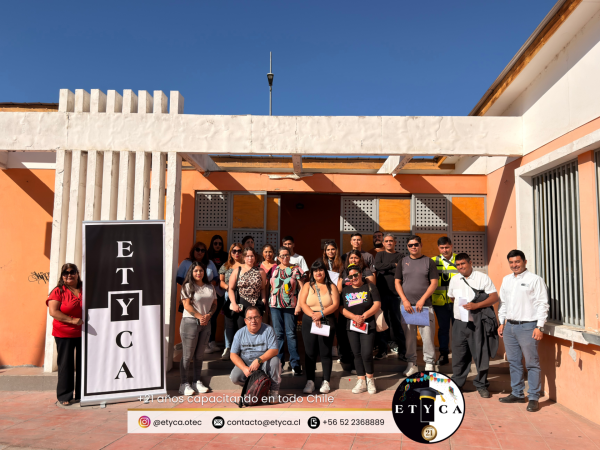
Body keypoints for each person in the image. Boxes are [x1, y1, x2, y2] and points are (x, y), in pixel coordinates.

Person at [498, 250, 549, 412]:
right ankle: (517, 393)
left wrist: (539, 326)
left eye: (517, 262)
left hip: (528, 326)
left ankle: (533, 397)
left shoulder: (535, 280)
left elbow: (542, 304)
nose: (514, 265)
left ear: (525, 262)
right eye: (511, 262)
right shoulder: (506, 280)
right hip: (509, 327)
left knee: (532, 363)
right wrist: (501, 322)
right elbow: (503, 303)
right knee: (514, 362)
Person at [448, 253, 499, 398]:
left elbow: (494, 297)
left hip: (477, 323)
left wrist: (477, 306)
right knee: (459, 355)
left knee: (480, 354)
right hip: (459, 323)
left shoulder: (482, 278)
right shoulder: (454, 279)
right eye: (458, 265)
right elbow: (452, 298)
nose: (460, 267)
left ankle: (481, 385)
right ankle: (457, 384)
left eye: (463, 263)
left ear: (470, 263)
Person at [395, 235, 439, 376]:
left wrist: (422, 299)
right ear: (407, 247)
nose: (413, 247)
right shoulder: (403, 262)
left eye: (416, 244)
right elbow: (397, 282)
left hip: (424, 306)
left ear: (420, 245)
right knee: (409, 337)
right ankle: (411, 364)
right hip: (407, 306)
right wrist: (405, 300)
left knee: (427, 337)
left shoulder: (429, 262)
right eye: (410, 245)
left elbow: (434, 283)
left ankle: (429, 364)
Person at [298, 259, 340, 394]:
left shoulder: (331, 286)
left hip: (326, 319)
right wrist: (313, 315)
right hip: (309, 319)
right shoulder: (307, 285)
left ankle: (326, 381)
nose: (318, 273)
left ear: (325, 271)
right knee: (310, 352)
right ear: (311, 273)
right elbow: (302, 303)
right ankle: (310, 381)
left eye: (321, 270)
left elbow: (335, 304)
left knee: (325, 352)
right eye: (315, 270)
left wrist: (321, 314)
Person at [46, 263, 83, 407]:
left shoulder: (85, 288)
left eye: (72, 272)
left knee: (83, 364)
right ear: (62, 276)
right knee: (66, 364)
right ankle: (64, 395)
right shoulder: (58, 291)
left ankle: (82, 394)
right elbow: (53, 312)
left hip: (85, 333)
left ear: (77, 273)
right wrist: (72, 320)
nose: (69, 275)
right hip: (64, 333)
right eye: (65, 273)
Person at [341, 264, 382, 394]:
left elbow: (377, 304)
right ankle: (361, 381)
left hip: (368, 324)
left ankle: (370, 379)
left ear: (361, 274)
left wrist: (364, 316)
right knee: (356, 354)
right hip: (352, 325)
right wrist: (354, 317)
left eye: (355, 275)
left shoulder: (370, 287)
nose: (353, 278)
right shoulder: (345, 290)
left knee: (367, 353)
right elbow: (341, 308)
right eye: (350, 276)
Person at [179, 262, 218, 395]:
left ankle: (196, 381)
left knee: (200, 355)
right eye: (196, 271)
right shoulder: (187, 286)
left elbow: (214, 304)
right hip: (190, 322)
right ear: (191, 272)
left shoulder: (210, 287)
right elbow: (187, 305)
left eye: (201, 270)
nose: (198, 273)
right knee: (187, 355)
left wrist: (209, 315)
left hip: (206, 323)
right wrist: (199, 316)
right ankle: (184, 384)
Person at [230, 306, 281, 402]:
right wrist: (244, 368)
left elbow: (274, 350)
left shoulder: (268, 330)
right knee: (235, 377)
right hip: (247, 364)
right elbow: (233, 355)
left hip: (264, 363)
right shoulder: (239, 333)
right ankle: (254, 387)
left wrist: (259, 360)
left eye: (256, 317)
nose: (253, 321)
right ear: (245, 321)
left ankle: (274, 391)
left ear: (261, 318)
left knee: (275, 361)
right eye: (250, 318)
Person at [336, 250, 375, 371]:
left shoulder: (366, 271)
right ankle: (349, 362)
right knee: (346, 339)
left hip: (363, 312)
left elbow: (371, 288)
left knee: (362, 343)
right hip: (347, 311)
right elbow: (339, 289)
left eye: (356, 258)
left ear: (360, 259)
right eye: (351, 258)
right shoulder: (343, 271)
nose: (353, 260)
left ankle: (363, 368)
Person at [269, 246, 304, 375]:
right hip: (275, 306)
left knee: (291, 334)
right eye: (282, 255)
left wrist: (299, 305)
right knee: (278, 334)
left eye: (287, 255)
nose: (285, 257)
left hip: (290, 306)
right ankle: (279, 363)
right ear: (278, 257)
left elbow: (302, 289)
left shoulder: (296, 269)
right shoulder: (274, 269)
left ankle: (295, 364)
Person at [374, 233, 405, 361]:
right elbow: (377, 266)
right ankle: (382, 350)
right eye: (386, 241)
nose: (389, 243)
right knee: (382, 323)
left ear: (395, 242)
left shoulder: (400, 256)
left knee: (397, 323)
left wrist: (385, 269)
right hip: (381, 294)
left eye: (391, 241)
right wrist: (393, 265)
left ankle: (402, 351)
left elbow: (400, 271)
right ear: (383, 243)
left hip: (396, 295)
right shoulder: (380, 255)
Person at [431, 237, 459, 367]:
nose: (444, 250)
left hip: (456, 301)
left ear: (451, 246)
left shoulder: (459, 259)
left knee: (458, 329)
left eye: (447, 247)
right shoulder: (433, 261)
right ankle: (443, 354)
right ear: (438, 248)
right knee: (443, 329)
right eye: (442, 248)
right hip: (439, 302)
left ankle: (459, 354)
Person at [228, 248, 268, 333]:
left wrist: (263, 301)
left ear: (255, 257)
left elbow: (262, 289)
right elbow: (230, 289)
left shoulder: (261, 271)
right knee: (241, 330)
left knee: (255, 329)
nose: (250, 258)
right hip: (241, 305)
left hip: (256, 304)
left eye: (252, 256)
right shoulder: (237, 270)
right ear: (243, 257)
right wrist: (234, 304)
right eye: (247, 256)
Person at [176, 242, 218, 315]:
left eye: (202, 250)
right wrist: (192, 285)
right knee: (190, 317)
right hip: (191, 295)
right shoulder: (186, 262)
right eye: (197, 249)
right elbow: (179, 278)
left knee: (208, 317)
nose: (200, 252)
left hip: (207, 296)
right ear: (193, 251)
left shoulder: (210, 263)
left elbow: (216, 277)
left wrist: (210, 284)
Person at [219, 243, 244, 360]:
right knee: (229, 323)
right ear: (231, 253)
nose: (237, 253)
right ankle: (228, 348)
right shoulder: (226, 265)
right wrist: (228, 287)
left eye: (239, 251)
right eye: (234, 251)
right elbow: (221, 281)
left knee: (241, 323)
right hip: (228, 296)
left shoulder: (245, 265)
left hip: (243, 296)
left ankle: (239, 349)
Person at [206, 235, 229, 354]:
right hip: (208, 291)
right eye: (215, 243)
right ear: (212, 244)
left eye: (220, 243)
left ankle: (213, 342)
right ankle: (207, 342)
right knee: (208, 317)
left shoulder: (225, 256)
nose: (218, 245)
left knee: (215, 317)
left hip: (221, 292)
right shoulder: (207, 255)